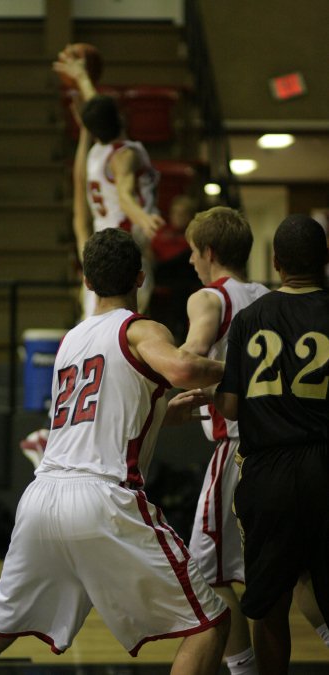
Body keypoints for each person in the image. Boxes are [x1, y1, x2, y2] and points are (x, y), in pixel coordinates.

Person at [0, 227, 231, 675]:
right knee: (210, 623)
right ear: (141, 278)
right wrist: (245, 369)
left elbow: (99, 413)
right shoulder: (139, 328)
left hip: (42, 496)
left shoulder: (71, 341)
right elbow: (182, 367)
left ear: (86, 281)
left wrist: (161, 413)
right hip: (102, 498)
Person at [213, 213, 329, 675]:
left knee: (268, 602)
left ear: (276, 262)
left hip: (269, 472)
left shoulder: (249, 319)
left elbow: (231, 407)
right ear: (325, 260)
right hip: (326, 465)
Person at [181, 206, 270, 675]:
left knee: (205, 571)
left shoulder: (209, 298)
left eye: (193, 253)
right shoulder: (269, 296)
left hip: (236, 450)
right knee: (290, 574)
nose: (191, 262)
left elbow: (191, 358)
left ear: (209, 252)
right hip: (285, 448)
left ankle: (243, 669)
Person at [54, 47, 164, 317]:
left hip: (97, 243)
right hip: (124, 245)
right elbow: (125, 196)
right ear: (121, 118)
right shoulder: (124, 154)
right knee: (124, 326)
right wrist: (142, 217)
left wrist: (82, 79)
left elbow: (97, 114)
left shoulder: (95, 153)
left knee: (96, 326)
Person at [150, 194, 201, 343]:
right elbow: (155, 260)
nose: (178, 216)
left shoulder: (195, 237)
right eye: (175, 212)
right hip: (163, 288)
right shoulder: (161, 234)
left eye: (182, 213)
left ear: (190, 216)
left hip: (186, 290)